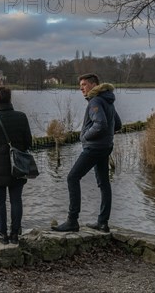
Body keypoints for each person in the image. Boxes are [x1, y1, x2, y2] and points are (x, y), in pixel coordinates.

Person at [52, 73, 122, 233]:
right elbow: (117, 124)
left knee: (72, 177)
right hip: (105, 146)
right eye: (80, 85)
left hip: (94, 148)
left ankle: (72, 221)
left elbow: (101, 124)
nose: (81, 88)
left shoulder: (95, 101)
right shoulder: (107, 99)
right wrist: (106, 136)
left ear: (93, 84)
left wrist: (84, 136)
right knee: (104, 183)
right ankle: (103, 223)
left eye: (84, 85)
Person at [0, 86, 33, 244]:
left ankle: (3, 235)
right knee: (16, 200)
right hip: (18, 164)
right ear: (10, 99)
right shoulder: (21, 116)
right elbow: (28, 142)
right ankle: (15, 234)